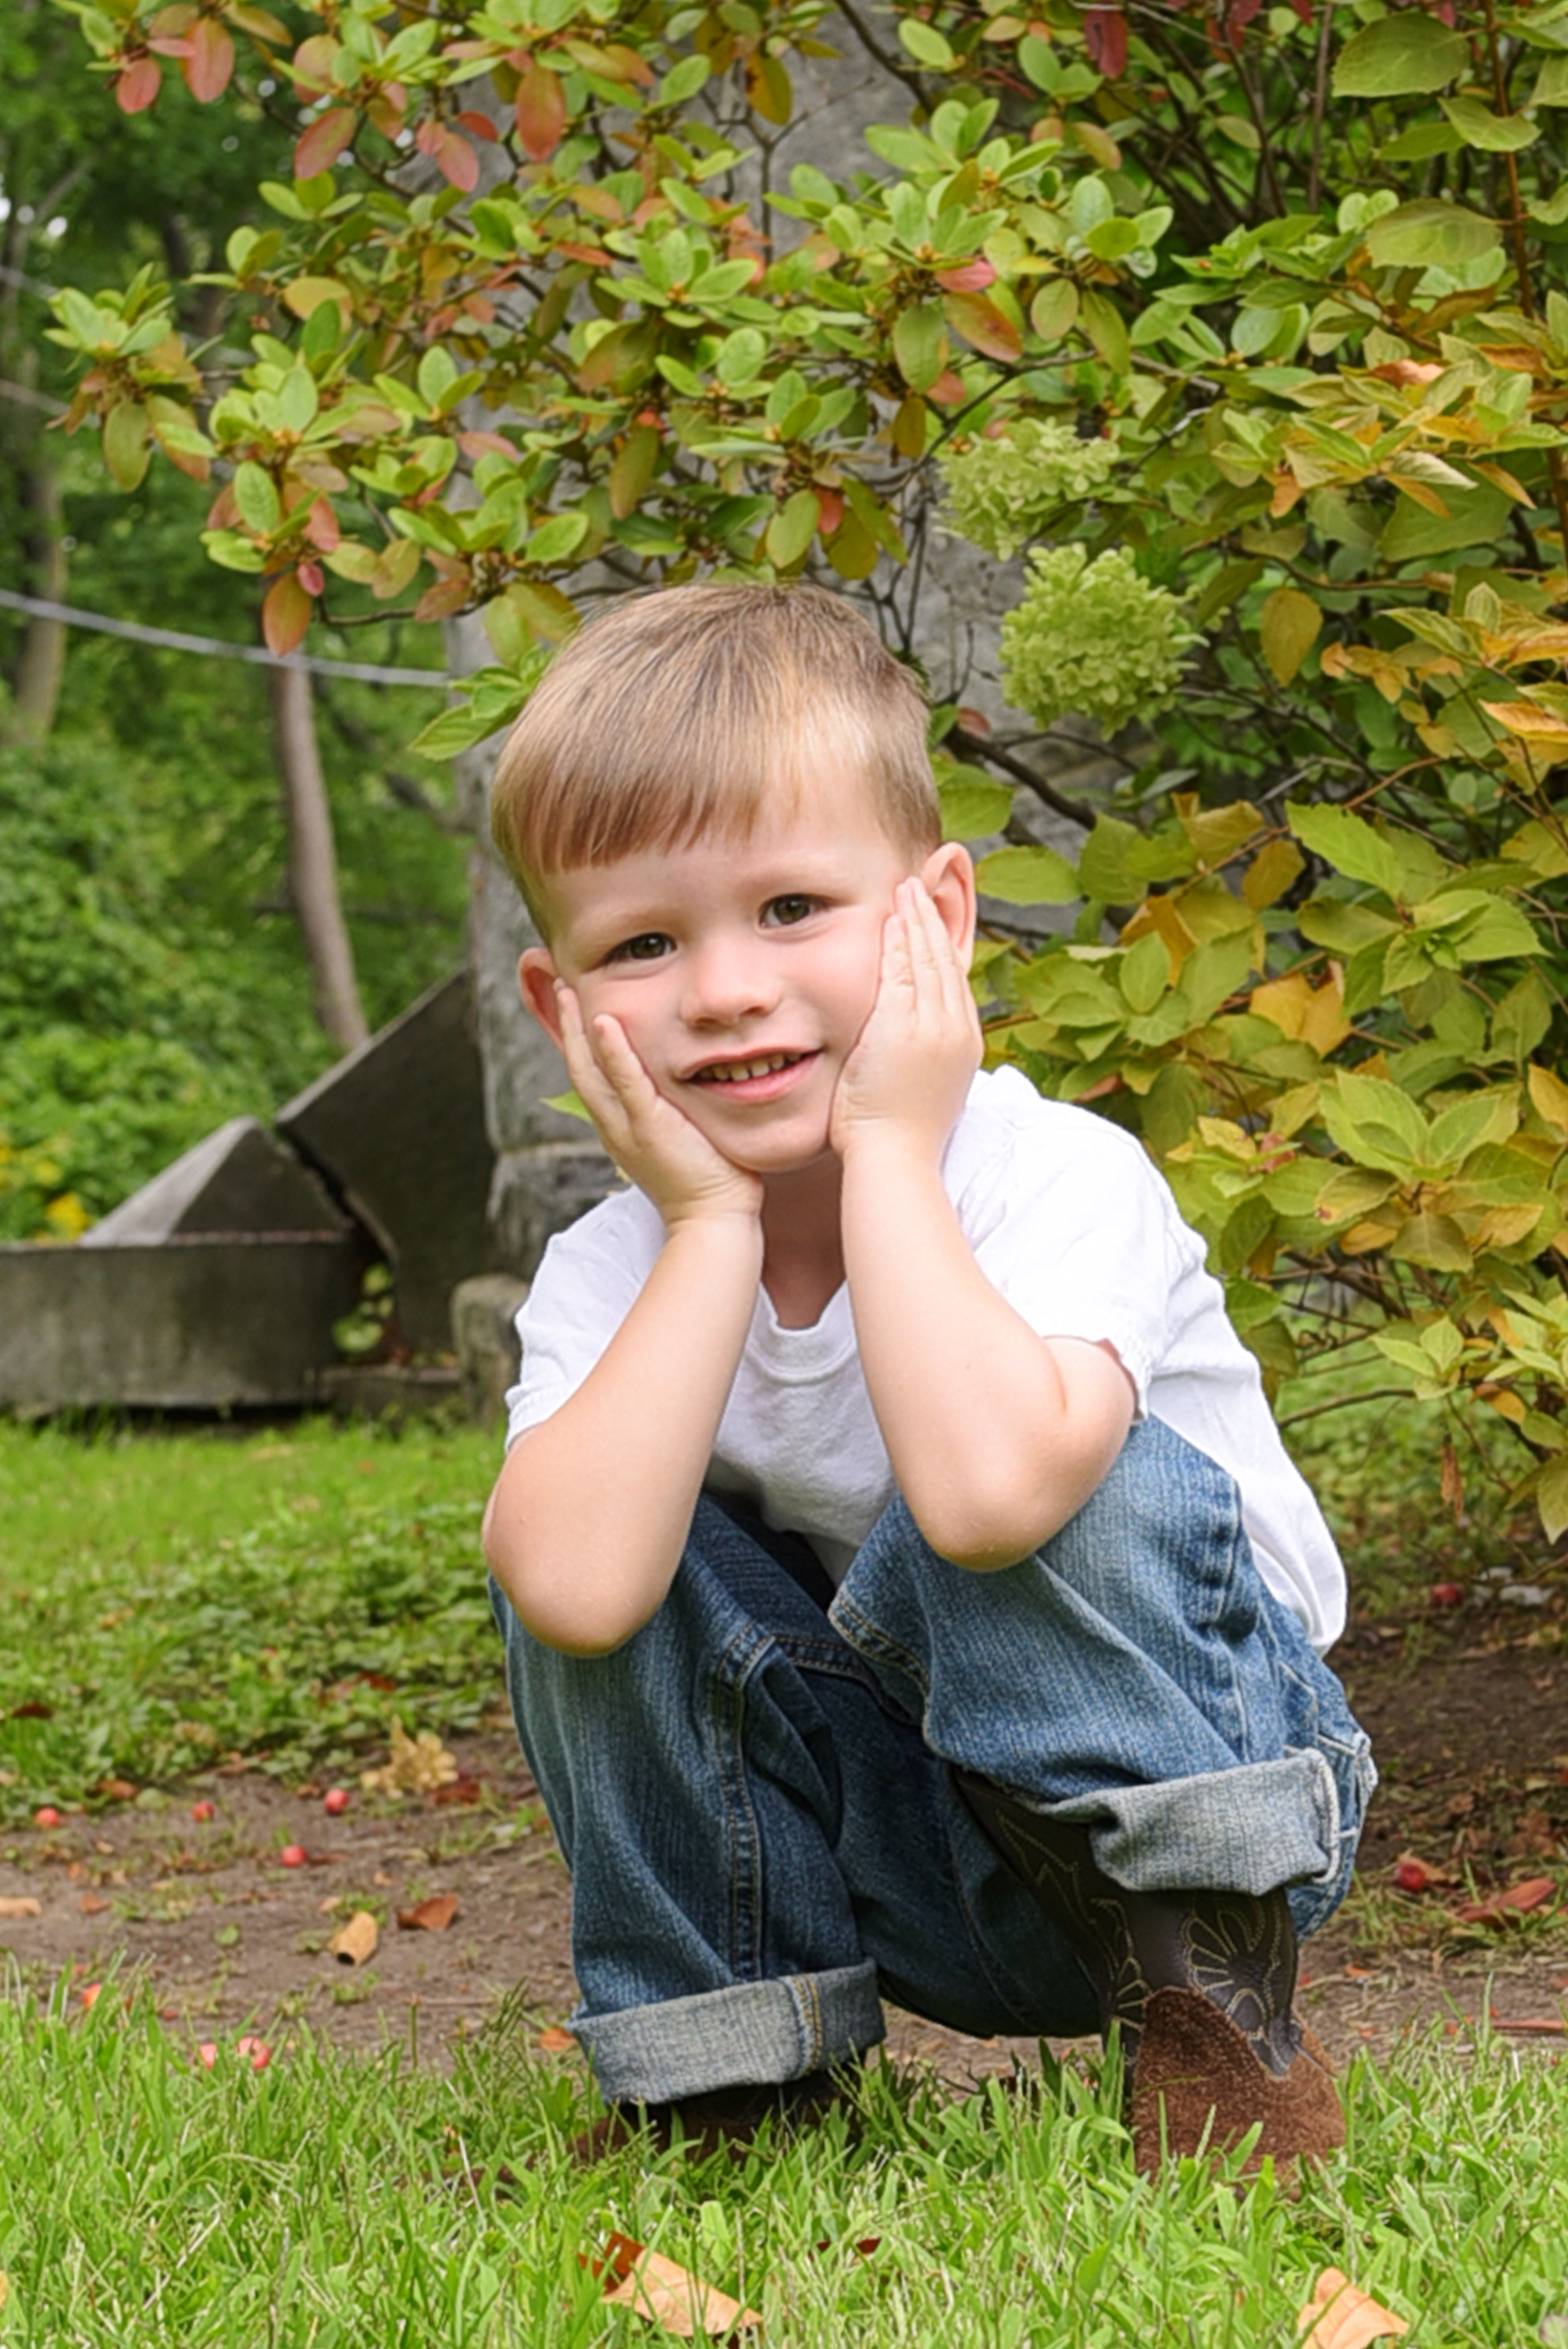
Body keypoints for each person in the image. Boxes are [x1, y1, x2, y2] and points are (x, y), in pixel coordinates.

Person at [481, 580, 1374, 2173]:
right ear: (560, 1006)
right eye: (641, 941)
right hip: (890, 1839)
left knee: (1039, 1458)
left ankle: (1220, 2046)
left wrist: (889, 1140)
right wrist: (704, 1228)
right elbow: (573, 1593)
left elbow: (980, 1497)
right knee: (584, 1496)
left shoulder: (1052, 1176)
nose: (722, 989)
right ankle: (733, 2086)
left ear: (936, 920)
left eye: (789, 910)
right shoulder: (610, 1271)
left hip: (1201, 1809)